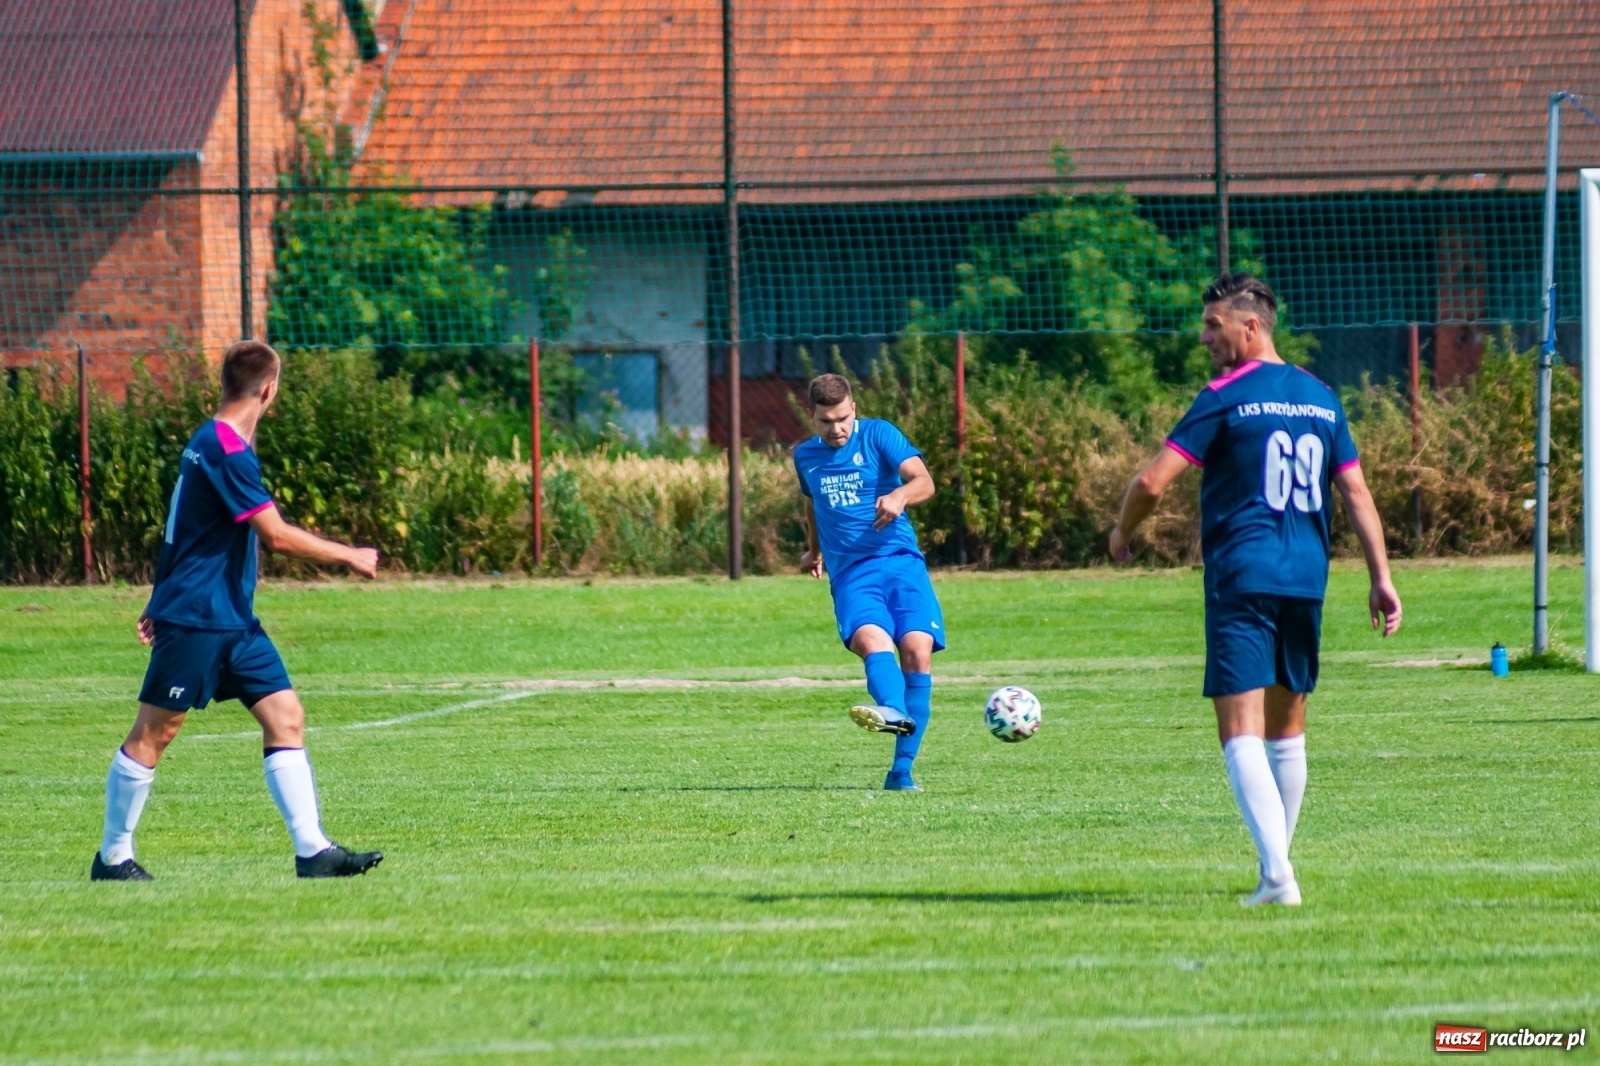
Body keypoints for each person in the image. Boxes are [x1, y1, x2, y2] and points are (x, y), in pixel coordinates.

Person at [1109, 274, 1402, 906]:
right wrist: (1381, 577)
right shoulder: (1322, 397)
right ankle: (1277, 870)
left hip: (1243, 575)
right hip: (1306, 578)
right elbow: (1355, 492)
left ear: (1252, 326)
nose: (1204, 338)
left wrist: (1119, 531)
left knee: (1240, 730)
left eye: (1213, 326)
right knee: (1287, 729)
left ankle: (1277, 876)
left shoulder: (1224, 396)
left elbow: (1154, 482)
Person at [92, 340, 384, 881]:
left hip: (231, 618)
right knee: (154, 733)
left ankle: (313, 851)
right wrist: (350, 554)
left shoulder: (210, 440)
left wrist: (159, 596)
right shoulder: (224, 449)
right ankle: (113, 857)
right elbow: (274, 536)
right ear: (269, 390)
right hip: (201, 617)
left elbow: (182, 527)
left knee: (285, 716)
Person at [794, 373, 944, 792]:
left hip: (901, 562)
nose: (836, 428)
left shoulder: (879, 435)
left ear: (854, 409)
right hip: (853, 575)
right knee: (872, 643)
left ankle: (901, 772)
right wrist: (815, 550)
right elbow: (813, 504)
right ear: (812, 417)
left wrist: (899, 496)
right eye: (826, 421)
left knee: (917, 650)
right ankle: (893, 710)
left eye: (842, 418)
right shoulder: (805, 457)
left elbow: (924, 481)